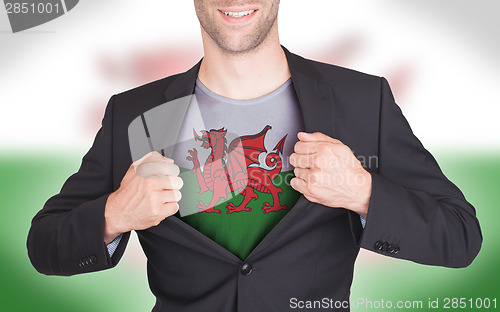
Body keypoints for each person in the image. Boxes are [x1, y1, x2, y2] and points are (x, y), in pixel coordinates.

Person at [27, 1, 482, 311]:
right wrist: (114, 214)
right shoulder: (138, 114)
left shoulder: (361, 101)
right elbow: (45, 245)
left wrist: (363, 191)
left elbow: (460, 236)